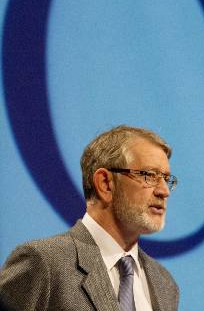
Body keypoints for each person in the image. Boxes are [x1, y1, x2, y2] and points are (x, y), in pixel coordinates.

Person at [0, 125, 179, 311]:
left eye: (166, 179)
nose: (164, 191)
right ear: (105, 184)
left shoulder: (164, 284)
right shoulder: (44, 263)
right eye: (149, 175)